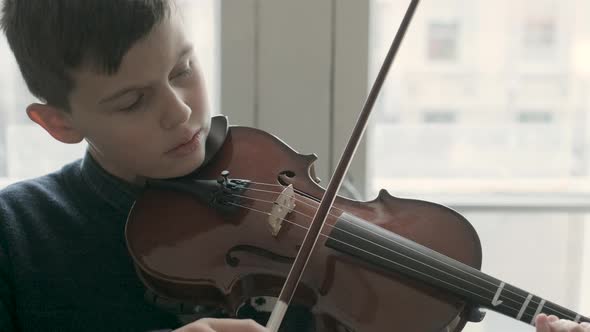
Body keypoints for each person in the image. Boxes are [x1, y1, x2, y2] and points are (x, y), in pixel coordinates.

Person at [0, 1, 587, 331]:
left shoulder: (278, 178)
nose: (180, 114)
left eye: (183, 69)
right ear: (58, 123)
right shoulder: (17, 234)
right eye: (133, 101)